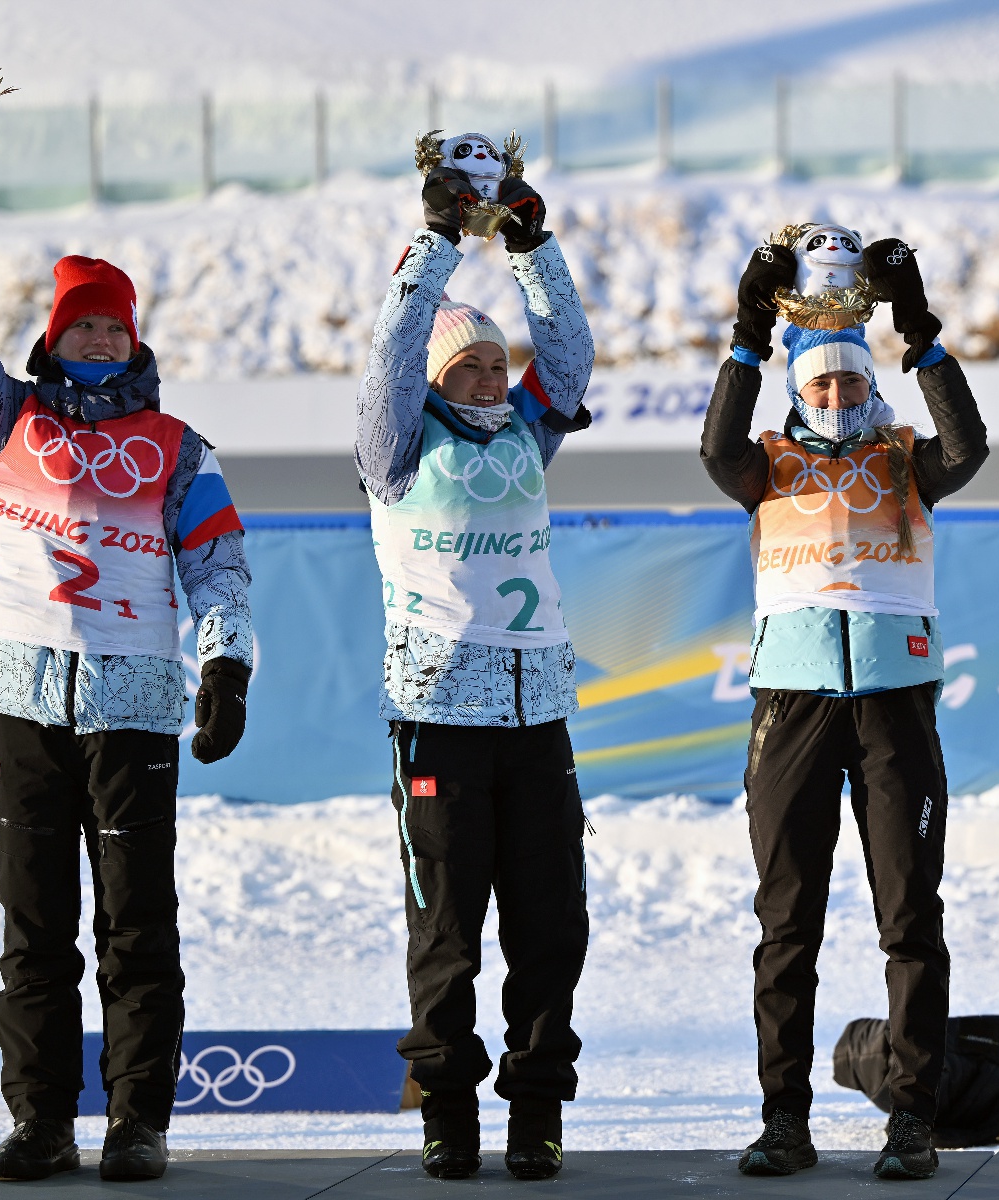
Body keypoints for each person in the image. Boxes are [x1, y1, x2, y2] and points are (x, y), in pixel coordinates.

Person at [0, 117, 255, 1182]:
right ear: (52, 337)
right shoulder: (3, 418)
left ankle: (139, 1122)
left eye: (111, 326)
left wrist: (226, 664)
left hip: (133, 711)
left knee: (138, 932)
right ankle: (40, 1120)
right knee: (33, 931)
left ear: (134, 339)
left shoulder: (181, 449)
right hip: (21, 707)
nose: (96, 340)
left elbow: (220, 568)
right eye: (81, 325)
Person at [701, 231, 989, 1181]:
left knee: (910, 918)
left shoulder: (908, 456)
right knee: (788, 923)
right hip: (790, 707)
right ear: (798, 388)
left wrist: (916, 328)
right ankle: (784, 1116)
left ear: (872, 385)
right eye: (820, 384)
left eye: (851, 383)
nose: (836, 396)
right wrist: (748, 334)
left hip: (894, 705)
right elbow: (715, 447)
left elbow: (970, 446)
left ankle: (912, 1116)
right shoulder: (768, 463)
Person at [357, 157, 594, 1182]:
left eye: (496, 364)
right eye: (471, 368)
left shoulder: (529, 435)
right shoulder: (395, 447)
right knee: (448, 931)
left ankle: (535, 1108)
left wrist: (530, 248)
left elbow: (572, 361)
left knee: (551, 929)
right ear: (435, 382)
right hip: (437, 718)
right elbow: (388, 357)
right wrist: (440, 243)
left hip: (536, 716)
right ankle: (446, 1108)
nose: (492, 378)